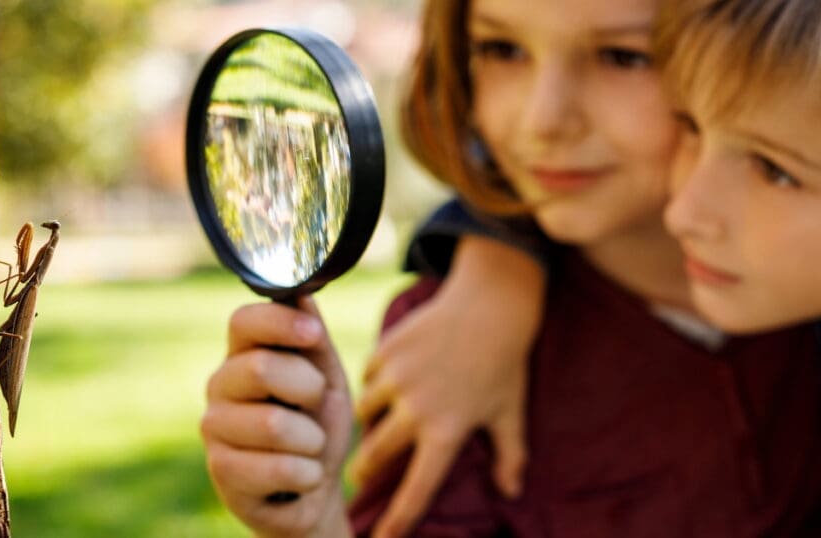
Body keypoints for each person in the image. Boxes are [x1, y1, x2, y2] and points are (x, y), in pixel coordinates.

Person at [199, 0, 821, 536]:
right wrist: (314, 525)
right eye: (500, 48)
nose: (542, 120)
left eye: (624, 57)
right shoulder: (443, 346)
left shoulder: (794, 300)